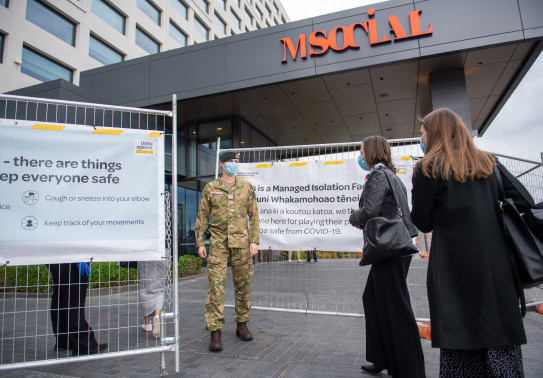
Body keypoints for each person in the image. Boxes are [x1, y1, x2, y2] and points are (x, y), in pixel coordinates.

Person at [411, 108, 526, 377]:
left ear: (435, 133)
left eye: (423, 132)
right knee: (501, 343)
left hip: (454, 270)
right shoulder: (489, 163)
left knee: (460, 342)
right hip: (497, 267)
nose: (422, 138)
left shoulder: (428, 168)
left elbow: (423, 221)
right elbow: (524, 201)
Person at [349, 135, 425, 377]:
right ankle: (381, 357)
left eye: (362, 152)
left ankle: (408, 369)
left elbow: (369, 210)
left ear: (371, 152)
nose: (360, 156)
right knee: (372, 299)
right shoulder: (390, 175)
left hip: (390, 250)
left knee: (395, 307)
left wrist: (354, 217)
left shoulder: (378, 176)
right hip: (395, 248)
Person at [195, 150, 259, 352]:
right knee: (216, 287)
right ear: (222, 164)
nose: (233, 164)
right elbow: (202, 216)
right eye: (230, 161)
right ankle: (215, 332)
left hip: (242, 243)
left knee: (243, 286)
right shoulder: (211, 188)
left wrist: (254, 241)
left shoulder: (246, 187)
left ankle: (242, 325)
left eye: (235, 161)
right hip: (218, 243)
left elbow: (254, 216)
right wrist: (199, 242)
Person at [48, 262, 107, 356]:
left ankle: (64, 340)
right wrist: (80, 258)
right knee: (74, 298)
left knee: (60, 295)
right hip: (72, 258)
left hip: (56, 258)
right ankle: (84, 345)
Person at [138, 260, 167, 338]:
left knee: (144, 287)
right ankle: (157, 316)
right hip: (161, 255)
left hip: (144, 256)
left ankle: (147, 323)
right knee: (159, 289)